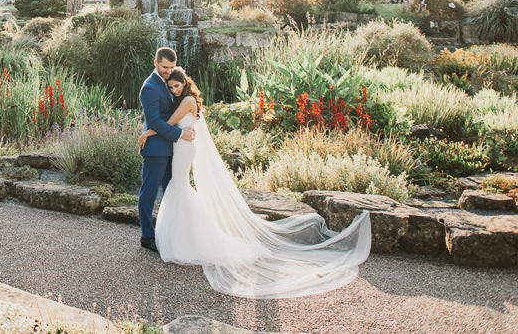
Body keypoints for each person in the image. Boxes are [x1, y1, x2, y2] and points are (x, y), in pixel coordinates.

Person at [140, 67, 372, 299]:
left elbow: (168, 122)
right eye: (171, 87)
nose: (173, 89)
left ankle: (189, 240)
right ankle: (188, 236)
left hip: (183, 147)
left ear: (185, 83)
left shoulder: (187, 101)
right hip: (182, 146)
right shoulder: (185, 99)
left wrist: (147, 133)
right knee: (180, 188)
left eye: (176, 86)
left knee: (179, 187)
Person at [137, 47, 196, 253]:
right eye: (164, 67)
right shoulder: (150, 87)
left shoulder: (170, 82)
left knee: (173, 193)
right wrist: (179, 135)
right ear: (155, 63)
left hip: (173, 150)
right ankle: (147, 236)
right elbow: (154, 121)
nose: (168, 71)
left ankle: (173, 234)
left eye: (171, 67)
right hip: (156, 150)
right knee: (149, 194)